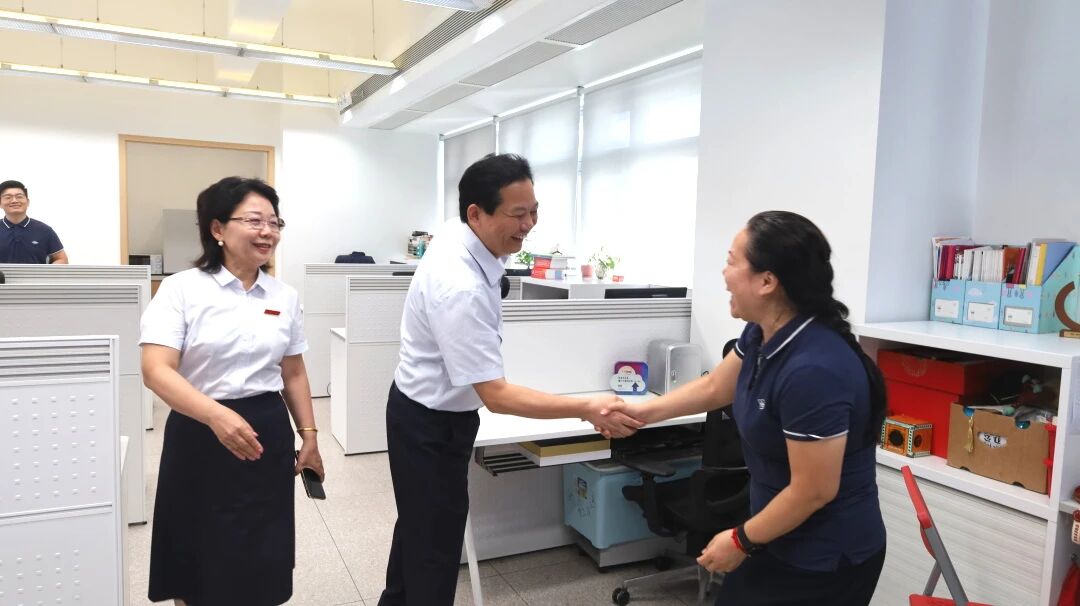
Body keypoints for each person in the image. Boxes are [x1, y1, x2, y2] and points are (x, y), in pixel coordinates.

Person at [378, 153, 644, 606]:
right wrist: (586, 407)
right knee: (434, 549)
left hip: (425, 410)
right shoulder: (458, 284)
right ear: (476, 214)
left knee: (419, 530)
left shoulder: (465, 238)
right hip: (429, 425)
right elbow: (497, 396)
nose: (528, 225)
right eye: (517, 214)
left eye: (534, 211)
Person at [604, 211, 887, 606]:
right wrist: (638, 415)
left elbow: (814, 490)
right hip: (774, 533)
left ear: (767, 281)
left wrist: (740, 540)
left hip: (823, 557)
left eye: (732, 261)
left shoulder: (814, 370)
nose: (723, 274)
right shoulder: (763, 330)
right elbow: (715, 386)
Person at [139, 176, 324, 606]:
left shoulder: (284, 295)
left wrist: (310, 435)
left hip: (265, 431)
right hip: (199, 430)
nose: (267, 232)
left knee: (260, 546)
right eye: (254, 221)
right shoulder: (182, 289)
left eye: (274, 222)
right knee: (197, 550)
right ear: (218, 229)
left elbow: (293, 371)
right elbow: (156, 370)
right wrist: (215, 415)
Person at [0, 180, 68, 264]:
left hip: (37, 273)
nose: (14, 201)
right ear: (0, 203)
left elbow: (62, 259)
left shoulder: (44, 230)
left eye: (19, 196)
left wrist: (46, 271)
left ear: (28, 202)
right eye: (8, 197)